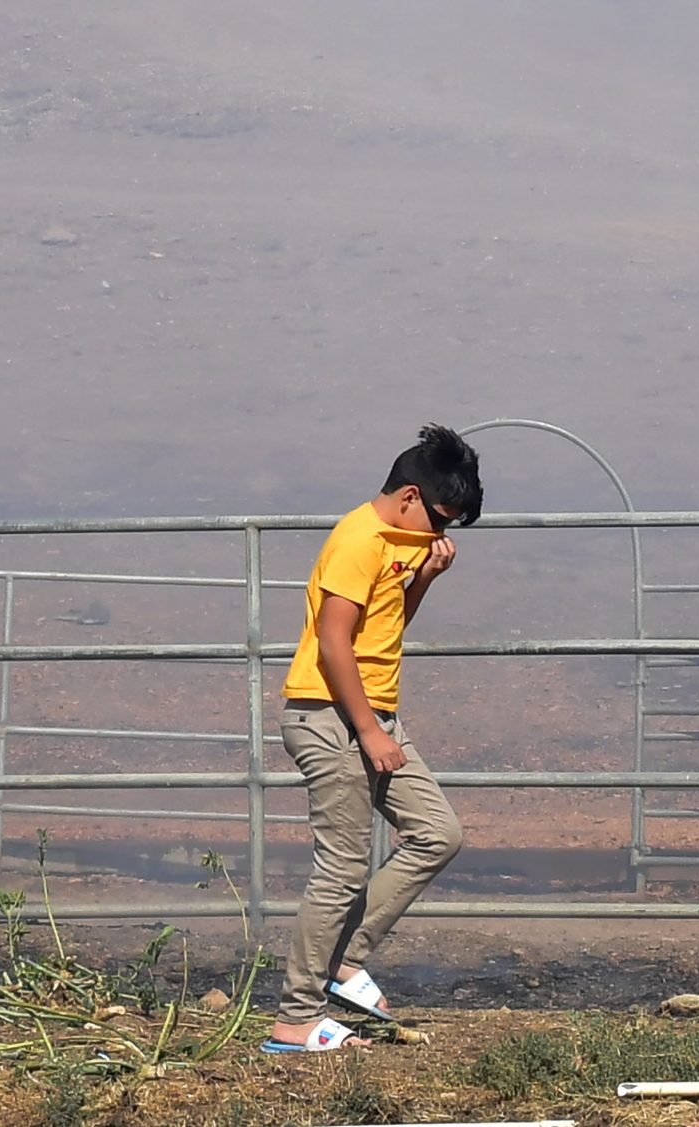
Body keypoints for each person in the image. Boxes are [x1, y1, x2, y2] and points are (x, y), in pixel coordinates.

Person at [264, 424, 484, 1054]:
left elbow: (382, 629)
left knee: (437, 832)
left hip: (373, 717)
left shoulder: (399, 544)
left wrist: (425, 579)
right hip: (331, 717)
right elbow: (334, 642)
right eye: (440, 519)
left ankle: (343, 960)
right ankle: (296, 1019)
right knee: (340, 871)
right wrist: (365, 729)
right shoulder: (358, 539)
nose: (441, 536)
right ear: (410, 495)